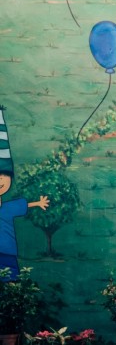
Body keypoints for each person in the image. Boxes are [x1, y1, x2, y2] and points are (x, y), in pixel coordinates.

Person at [0, 106, 50, 282]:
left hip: (8, 252)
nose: (0, 180)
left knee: (11, 279)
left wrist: (39, 203)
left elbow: (25, 205)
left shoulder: (8, 207)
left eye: (4, 176)